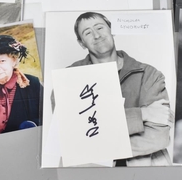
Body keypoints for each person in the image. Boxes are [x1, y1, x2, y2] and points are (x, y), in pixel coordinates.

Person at [68, 12, 173, 166]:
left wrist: (96, 145)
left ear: (112, 30)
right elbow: (72, 134)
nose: (96, 35)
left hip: (145, 171)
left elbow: (158, 137)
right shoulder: (69, 78)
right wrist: (142, 114)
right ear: (81, 43)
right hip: (91, 172)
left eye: (100, 28)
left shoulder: (149, 75)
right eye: (87, 33)